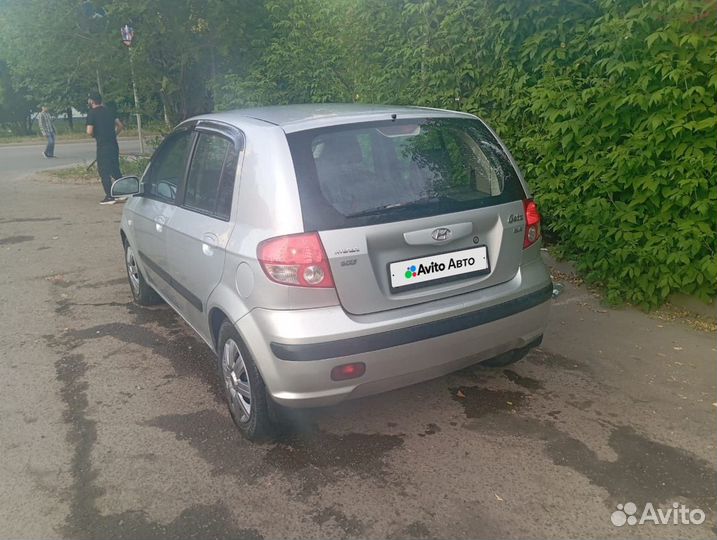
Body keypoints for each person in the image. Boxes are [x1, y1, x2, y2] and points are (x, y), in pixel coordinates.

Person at [86, 93, 124, 205]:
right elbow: (120, 126)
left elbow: (89, 131)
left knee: (104, 171)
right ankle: (122, 193)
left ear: (92, 101)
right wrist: (113, 134)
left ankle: (110, 196)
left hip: (102, 145)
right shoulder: (110, 111)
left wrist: (95, 135)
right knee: (115, 168)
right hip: (113, 143)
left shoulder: (91, 114)